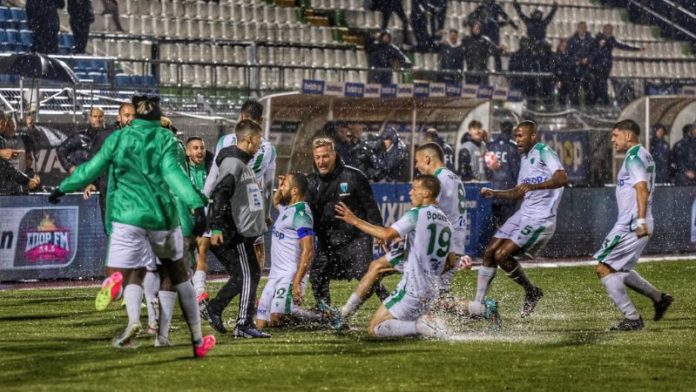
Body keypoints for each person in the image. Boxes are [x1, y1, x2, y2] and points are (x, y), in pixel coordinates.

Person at [48, 95, 215, 357]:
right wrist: (196, 204)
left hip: (127, 218)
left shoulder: (118, 138)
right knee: (173, 276)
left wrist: (63, 187)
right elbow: (174, 177)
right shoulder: (167, 140)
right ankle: (163, 335)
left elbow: (92, 169)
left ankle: (134, 318)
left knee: (131, 272)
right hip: (161, 217)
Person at [334, 175, 455, 338]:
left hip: (413, 289)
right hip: (431, 291)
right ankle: (421, 327)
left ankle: (420, 326)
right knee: (377, 266)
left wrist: (354, 220)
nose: (410, 193)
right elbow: (451, 261)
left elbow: (386, 234)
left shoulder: (417, 213)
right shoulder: (446, 222)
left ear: (426, 193)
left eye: (414, 189)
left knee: (375, 329)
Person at [474, 120, 568, 318]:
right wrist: (495, 193)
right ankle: (477, 305)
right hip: (523, 213)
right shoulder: (525, 158)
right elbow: (518, 192)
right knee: (490, 251)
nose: (517, 140)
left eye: (521, 135)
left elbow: (561, 178)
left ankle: (532, 291)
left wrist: (536, 187)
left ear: (533, 136)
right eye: (516, 136)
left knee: (502, 255)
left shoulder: (544, 151)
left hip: (540, 218)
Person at [594, 119, 673, 331]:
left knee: (604, 269)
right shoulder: (643, 154)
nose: (612, 140)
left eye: (615, 135)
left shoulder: (635, 157)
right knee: (620, 268)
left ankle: (633, 318)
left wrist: (639, 220)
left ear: (628, 136)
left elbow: (641, 188)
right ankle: (659, 298)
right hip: (635, 221)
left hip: (631, 224)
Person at [201, 100, 276, 303]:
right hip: (249, 209)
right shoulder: (268, 147)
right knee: (254, 254)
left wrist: (201, 202)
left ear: (241, 117)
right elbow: (268, 187)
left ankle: (201, 291)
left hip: (225, 206)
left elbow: (213, 178)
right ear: (261, 121)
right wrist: (266, 214)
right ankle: (248, 296)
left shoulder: (225, 142)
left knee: (203, 245)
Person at [205, 120, 269, 338]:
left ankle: (215, 308)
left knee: (243, 275)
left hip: (242, 230)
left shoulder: (241, 162)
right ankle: (243, 324)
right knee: (249, 274)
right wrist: (215, 227)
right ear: (249, 139)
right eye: (259, 139)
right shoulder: (233, 162)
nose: (260, 144)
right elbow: (220, 194)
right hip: (236, 231)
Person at [305, 137, 386, 308]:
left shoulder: (354, 176)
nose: (321, 161)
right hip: (327, 240)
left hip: (356, 238)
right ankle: (324, 311)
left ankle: (391, 303)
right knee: (317, 273)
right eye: (317, 157)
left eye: (325, 156)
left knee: (365, 273)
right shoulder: (310, 182)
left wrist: (378, 231)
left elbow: (370, 207)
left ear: (334, 155)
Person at [256, 172, 326, 328]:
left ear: (295, 191)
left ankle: (322, 318)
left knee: (276, 319)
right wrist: (282, 186)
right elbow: (275, 201)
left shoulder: (301, 212)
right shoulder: (287, 209)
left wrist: (297, 282)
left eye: (285, 185)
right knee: (261, 323)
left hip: (290, 275)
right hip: (275, 276)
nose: (280, 188)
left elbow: (308, 250)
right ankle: (297, 311)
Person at [83, 102, 135, 231]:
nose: (130, 119)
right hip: (110, 192)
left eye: (133, 116)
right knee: (112, 231)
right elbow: (94, 161)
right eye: (127, 115)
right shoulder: (105, 135)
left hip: (134, 193)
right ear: (119, 117)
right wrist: (91, 182)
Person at [593, 24, 642, 105]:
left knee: (603, 81)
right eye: (607, 29)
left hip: (607, 64)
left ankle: (603, 99)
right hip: (597, 64)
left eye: (610, 30)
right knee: (598, 82)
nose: (609, 31)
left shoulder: (612, 39)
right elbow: (593, 49)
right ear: (604, 30)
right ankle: (599, 98)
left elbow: (623, 46)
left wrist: (637, 49)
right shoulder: (598, 38)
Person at [486, 121, 521, 228]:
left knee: (492, 224)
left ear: (500, 129)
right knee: (507, 224)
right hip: (508, 190)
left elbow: (487, 167)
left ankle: (492, 243)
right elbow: (516, 169)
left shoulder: (491, 145)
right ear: (511, 131)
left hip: (493, 188)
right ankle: (503, 243)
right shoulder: (513, 146)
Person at [57, 107, 105, 174]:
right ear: (90, 118)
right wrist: (69, 166)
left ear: (103, 118)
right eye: (95, 116)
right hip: (83, 177)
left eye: (100, 116)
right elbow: (61, 149)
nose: (97, 119)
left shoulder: (109, 136)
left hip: (101, 177)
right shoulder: (79, 137)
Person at [0, 112, 40, 194]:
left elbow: (5, 167)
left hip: (15, 182)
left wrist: (28, 179)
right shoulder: (2, 140)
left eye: (13, 126)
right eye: (7, 126)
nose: (3, 127)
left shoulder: (23, 137)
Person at [460, 21, 502, 85]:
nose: (476, 30)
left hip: (482, 70)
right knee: (469, 92)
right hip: (470, 71)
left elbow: (495, 50)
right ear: (472, 29)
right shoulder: (466, 40)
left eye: (478, 28)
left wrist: (500, 49)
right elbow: (460, 53)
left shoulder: (485, 40)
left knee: (483, 91)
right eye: (475, 28)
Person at [567, 22, 597, 105]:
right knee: (574, 89)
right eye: (580, 28)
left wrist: (588, 59)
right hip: (575, 68)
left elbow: (594, 53)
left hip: (587, 68)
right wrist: (577, 60)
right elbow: (569, 54)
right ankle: (574, 106)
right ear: (577, 28)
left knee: (588, 88)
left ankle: (589, 107)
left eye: (584, 27)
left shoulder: (591, 40)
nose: (582, 29)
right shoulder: (571, 40)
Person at [550, 39, 576, 107]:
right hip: (560, 79)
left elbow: (571, 67)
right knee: (561, 96)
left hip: (568, 79)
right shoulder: (556, 56)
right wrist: (557, 80)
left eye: (565, 46)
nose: (563, 48)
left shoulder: (569, 56)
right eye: (562, 46)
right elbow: (554, 69)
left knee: (570, 95)